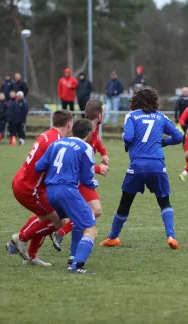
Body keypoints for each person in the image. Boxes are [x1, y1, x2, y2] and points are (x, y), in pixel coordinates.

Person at [100, 87, 184, 249]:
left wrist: (127, 142)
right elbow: (179, 137)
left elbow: (129, 137)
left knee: (126, 202)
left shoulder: (131, 116)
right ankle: (171, 236)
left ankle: (113, 237)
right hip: (158, 165)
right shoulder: (161, 117)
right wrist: (163, 142)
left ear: (136, 101)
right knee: (164, 201)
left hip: (137, 166)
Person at [35, 119, 99, 274]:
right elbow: (86, 180)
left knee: (71, 221)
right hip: (68, 191)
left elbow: (39, 166)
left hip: (50, 192)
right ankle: (77, 266)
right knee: (91, 230)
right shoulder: (86, 148)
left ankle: (73, 257)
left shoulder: (56, 143)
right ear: (89, 134)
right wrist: (93, 183)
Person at [9, 110, 74, 261]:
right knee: (59, 221)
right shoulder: (57, 142)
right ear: (69, 124)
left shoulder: (47, 134)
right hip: (30, 189)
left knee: (45, 217)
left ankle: (32, 257)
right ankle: (20, 238)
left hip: (22, 181)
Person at [51, 100, 110, 262]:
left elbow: (96, 143)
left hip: (74, 180)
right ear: (99, 115)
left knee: (88, 212)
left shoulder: (93, 129)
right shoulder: (84, 132)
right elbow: (81, 161)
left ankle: (69, 247)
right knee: (92, 212)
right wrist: (98, 169)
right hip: (76, 180)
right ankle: (63, 240)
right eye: (104, 112)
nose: (104, 115)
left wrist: (103, 152)